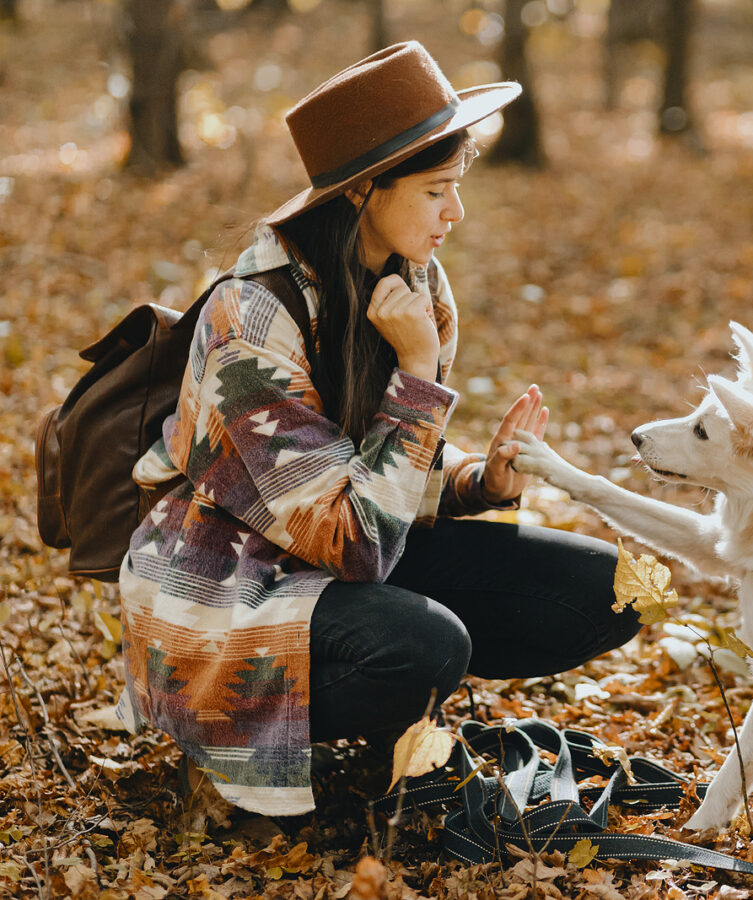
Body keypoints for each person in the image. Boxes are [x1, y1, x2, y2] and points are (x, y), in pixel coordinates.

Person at [115, 42, 641, 816]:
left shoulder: (414, 278)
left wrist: (475, 482)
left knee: (615, 590)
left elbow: (382, 476)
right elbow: (355, 542)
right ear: (363, 191)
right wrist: (419, 376)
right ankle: (263, 737)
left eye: (456, 188)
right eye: (437, 192)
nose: (455, 214)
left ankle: (397, 719)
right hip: (227, 590)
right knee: (424, 644)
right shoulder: (250, 321)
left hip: (337, 555)